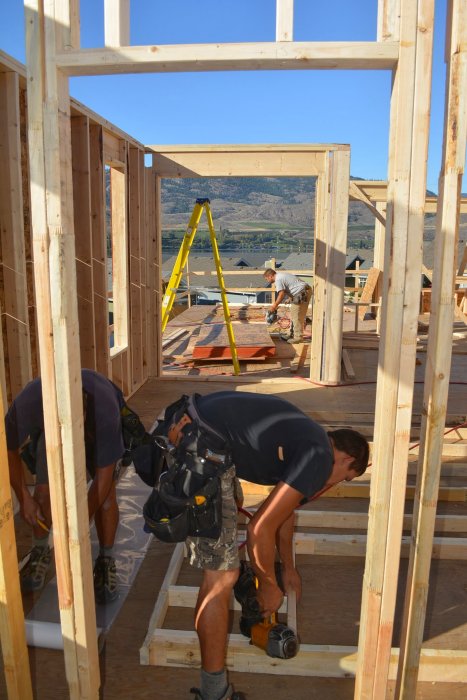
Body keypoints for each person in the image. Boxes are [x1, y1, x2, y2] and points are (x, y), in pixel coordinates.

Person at [156, 391, 369, 700]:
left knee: (233, 504)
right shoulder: (319, 456)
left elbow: (283, 513)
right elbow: (260, 527)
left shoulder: (307, 437)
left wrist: (288, 567)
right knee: (221, 576)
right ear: (347, 460)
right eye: (345, 478)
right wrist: (268, 584)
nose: (334, 484)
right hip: (200, 446)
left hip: (192, 424)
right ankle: (214, 693)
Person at [5, 368, 127, 604]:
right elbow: (7, 448)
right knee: (42, 492)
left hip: (97, 430)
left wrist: (80, 524)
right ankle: (40, 551)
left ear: (84, 412)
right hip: (49, 434)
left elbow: (102, 480)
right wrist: (24, 498)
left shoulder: (104, 412)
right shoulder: (28, 405)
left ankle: (105, 560)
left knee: (106, 500)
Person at [263, 268, 312, 344]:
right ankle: (291, 334)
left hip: (302, 293)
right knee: (293, 315)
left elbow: (281, 294)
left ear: (270, 276)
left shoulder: (278, 279)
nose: (267, 281)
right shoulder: (281, 276)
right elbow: (292, 285)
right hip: (301, 291)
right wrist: (290, 298)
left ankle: (298, 338)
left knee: (297, 316)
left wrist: (274, 306)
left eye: (267, 279)